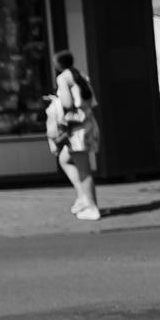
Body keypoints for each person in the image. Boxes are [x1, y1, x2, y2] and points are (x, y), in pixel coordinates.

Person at [46, 51, 101, 221]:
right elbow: (90, 100)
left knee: (84, 169)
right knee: (65, 159)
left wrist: (56, 100)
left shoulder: (63, 77)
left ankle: (92, 207)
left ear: (58, 64)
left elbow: (68, 104)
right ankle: (84, 198)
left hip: (76, 129)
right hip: (88, 124)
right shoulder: (79, 75)